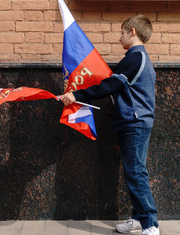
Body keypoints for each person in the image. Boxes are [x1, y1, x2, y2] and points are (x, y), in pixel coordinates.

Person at [59, 15, 159, 235]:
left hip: (134, 123)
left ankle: (151, 224)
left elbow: (110, 86)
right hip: (133, 122)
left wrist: (77, 95)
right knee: (134, 172)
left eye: (122, 32)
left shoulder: (135, 58)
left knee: (136, 173)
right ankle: (138, 218)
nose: (119, 38)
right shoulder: (136, 58)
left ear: (132, 32)